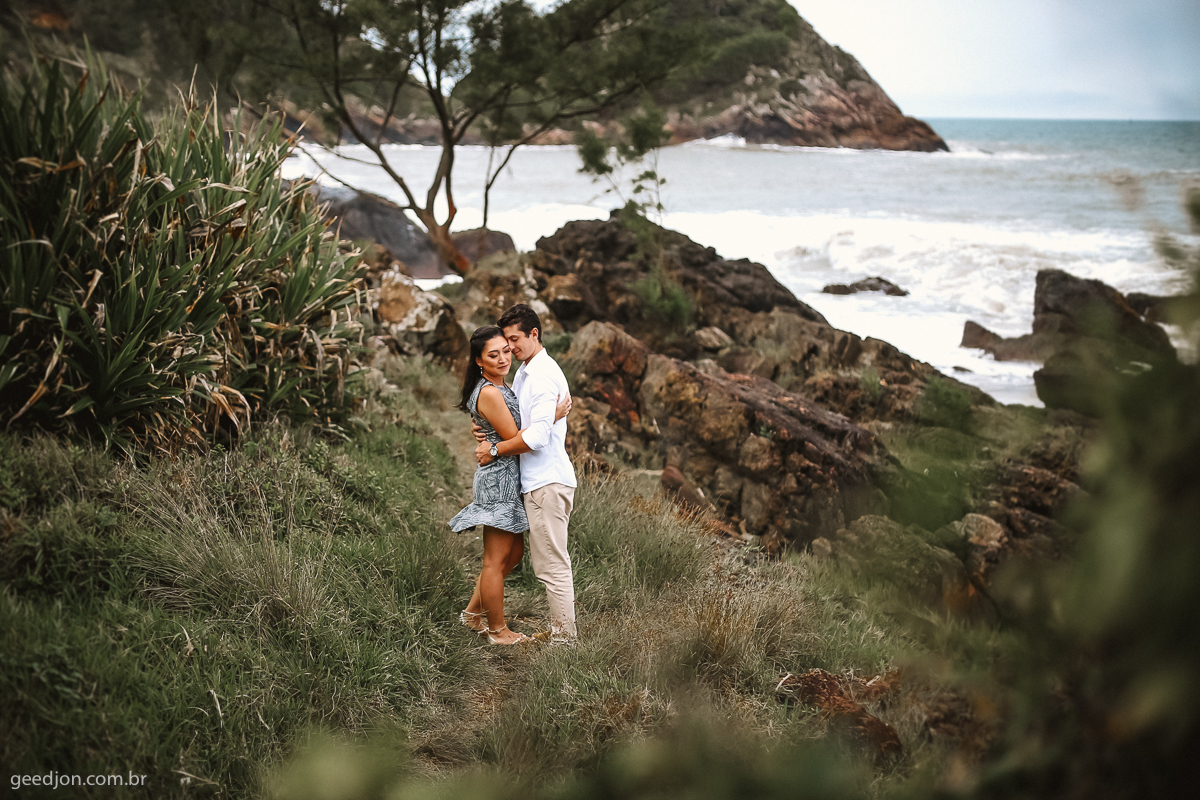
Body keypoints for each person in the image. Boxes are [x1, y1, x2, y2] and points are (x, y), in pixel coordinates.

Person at [450, 326, 570, 646]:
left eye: (506, 350)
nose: (504, 358)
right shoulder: (490, 392)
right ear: (479, 361)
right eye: (493, 355)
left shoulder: (501, 386)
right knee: (495, 560)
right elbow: (516, 436)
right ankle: (497, 631)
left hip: (507, 477)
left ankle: (472, 614)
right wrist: (552, 415)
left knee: (513, 553)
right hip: (499, 481)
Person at [475, 304, 578, 644]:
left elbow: (536, 437)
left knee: (552, 567)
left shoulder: (542, 374)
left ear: (534, 334)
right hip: (535, 481)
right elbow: (520, 422)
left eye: (515, 339)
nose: (510, 347)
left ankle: (564, 642)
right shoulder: (525, 371)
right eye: (506, 340)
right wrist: (488, 431)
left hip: (547, 481)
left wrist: (493, 450)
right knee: (541, 562)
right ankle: (557, 632)